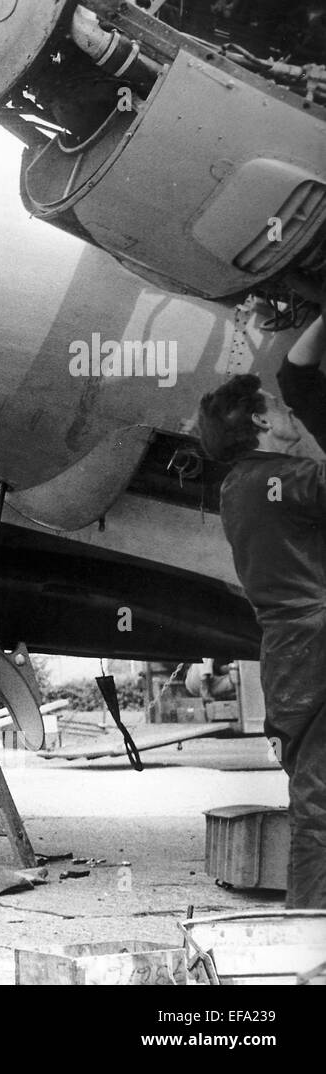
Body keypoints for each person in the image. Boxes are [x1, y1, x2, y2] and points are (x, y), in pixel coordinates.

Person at [197, 317, 326, 908]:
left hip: (289, 658)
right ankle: (311, 938)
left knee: (314, 799)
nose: (290, 414)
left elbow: (294, 378)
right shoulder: (289, 481)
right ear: (259, 421)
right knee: (319, 805)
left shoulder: (240, 486)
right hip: (316, 648)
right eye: (279, 407)